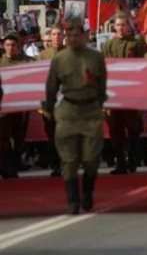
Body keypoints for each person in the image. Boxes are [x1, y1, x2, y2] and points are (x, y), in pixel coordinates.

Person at [43, 20, 107, 214]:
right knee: (68, 161)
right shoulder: (59, 59)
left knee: (91, 159)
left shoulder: (95, 58)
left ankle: (87, 192)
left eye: (76, 34)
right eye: (68, 35)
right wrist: (50, 108)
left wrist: (98, 103)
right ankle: (72, 200)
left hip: (90, 112)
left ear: (84, 36)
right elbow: (51, 86)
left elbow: (102, 84)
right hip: (68, 111)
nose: (72, 38)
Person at [102, 13, 146, 174]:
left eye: (124, 25)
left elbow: (143, 64)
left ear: (128, 26)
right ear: (114, 27)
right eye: (118, 25)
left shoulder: (136, 43)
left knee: (133, 128)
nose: (121, 28)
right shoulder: (108, 45)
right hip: (115, 93)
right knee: (115, 128)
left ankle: (133, 161)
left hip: (132, 92)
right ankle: (120, 162)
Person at [0, 34, 31, 178]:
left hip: (20, 107)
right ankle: (7, 167)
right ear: (3, 46)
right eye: (8, 45)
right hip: (3, 109)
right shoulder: (1, 63)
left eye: (13, 45)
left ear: (18, 47)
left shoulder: (27, 62)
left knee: (19, 137)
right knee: (4, 139)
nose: (10, 48)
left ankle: (16, 162)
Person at [38, 25, 65, 176]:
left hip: (67, 102)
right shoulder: (43, 56)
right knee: (52, 134)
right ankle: (56, 163)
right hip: (49, 102)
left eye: (59, 34)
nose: (57, 37)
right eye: (54, 34)